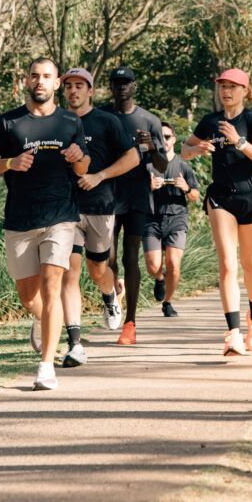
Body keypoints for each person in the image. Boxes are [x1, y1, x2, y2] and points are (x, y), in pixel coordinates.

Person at [0, 57, 90, 390]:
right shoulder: (8, 123)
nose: (40, 81)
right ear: (26, 82)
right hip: (20, 218)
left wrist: (78, 158)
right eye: (34, 76)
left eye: (47, 77)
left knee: (51, 287)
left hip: (60, 215)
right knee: (29, 296)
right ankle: (45, 322)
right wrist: (11, 162)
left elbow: (84, 168)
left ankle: (46, 367)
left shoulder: (70, 122)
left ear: (57, 84)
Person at [182, 68, 252, 356]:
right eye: (222, 86)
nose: (226, 91)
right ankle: (233, 333)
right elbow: (184, 149)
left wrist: (240, 142)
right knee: (227, 265)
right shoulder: (210, 120)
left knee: (251, 265)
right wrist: (197, 150)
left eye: (233, 86)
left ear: (245, 91)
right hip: (220, 197)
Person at [59, 67, 140, 365]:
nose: (73, 91)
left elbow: (133, 157)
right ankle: (75, 344)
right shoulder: (57, 121)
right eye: (68, 86)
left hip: (100, 206)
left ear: (90, 90)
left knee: (98, 271)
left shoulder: (107, 121)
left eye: (80, 85)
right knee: (70, 272)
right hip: (65, 208)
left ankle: (109, 295)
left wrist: (100, 176)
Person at [103, 66, 167, 345]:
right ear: (110, 87)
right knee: (107, 258)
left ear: (135, 86)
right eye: (116, 83)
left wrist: (152, 147)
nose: (121, 88)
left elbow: (163, 166)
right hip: (105, 196)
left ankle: (130, 323)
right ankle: (111, 297)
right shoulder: (100, 116)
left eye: (126, 83)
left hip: (138, 197)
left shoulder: (149, 120)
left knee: (131, 257)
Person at [143, 122, 201, 317]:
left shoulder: (183, 166)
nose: (164, 140)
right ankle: (160, 278)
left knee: (174, 263)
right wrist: (148, 188)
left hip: (177, 218)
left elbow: (195, 195)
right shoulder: (148, 164)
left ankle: (168, 302)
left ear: (174, 140)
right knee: (153, 266)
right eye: (160, 137)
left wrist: (186, 188)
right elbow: (135, 194)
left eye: (167, 137)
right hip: (151, 219)